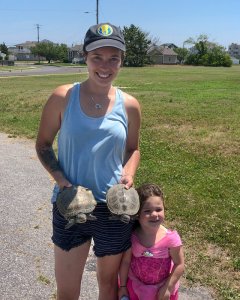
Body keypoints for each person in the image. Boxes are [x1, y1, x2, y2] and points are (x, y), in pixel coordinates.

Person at [35, 22, 141, 300]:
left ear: (121, 61)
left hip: (115, 208)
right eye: (97, 57)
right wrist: (61, 180)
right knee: (68, 291)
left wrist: (129, 173)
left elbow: (133, 149)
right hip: (70, 204)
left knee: (108, 287)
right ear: (85, 57)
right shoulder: (63, 97)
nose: (105, 66)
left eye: (113, 59)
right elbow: (43, 144)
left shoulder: (129, 104)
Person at [118, 183, 184, 300]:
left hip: (161, 291)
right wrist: (123, 286)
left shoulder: (170, 239)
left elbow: (179, 264)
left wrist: (168, 287)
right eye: (147, 211)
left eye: (158, 209)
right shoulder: (132, 236)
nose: (154, 214)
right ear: (137, 214)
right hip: (135, 287)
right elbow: (126, 262)